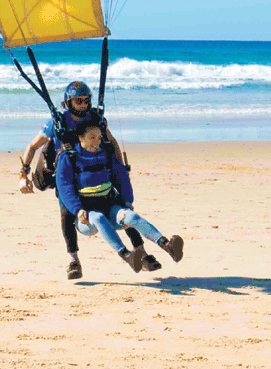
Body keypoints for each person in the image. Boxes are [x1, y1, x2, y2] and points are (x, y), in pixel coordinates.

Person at [16, 80, 154, 278]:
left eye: (86, 100)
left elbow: (112, 141)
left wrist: (120, 170)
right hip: (67, 176)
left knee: (121, 207)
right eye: (78, 101)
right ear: (68, 102)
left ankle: (142, 253)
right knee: (67, 213)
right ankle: (73, 261)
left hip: (97, 170)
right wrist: (24, 174)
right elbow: (32, 146)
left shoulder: (96, 118)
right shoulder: (57, 121)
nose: (82, 105)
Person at [56, 123, 184, 273]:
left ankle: (167, 245)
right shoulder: (68, 158)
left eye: (99, 138)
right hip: (86, 217)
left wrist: (128, 201)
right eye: (92, 137)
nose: (97, 142)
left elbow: (122, 178)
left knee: (131, 216)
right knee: (98, 218)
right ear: (80, 138)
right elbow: (64, 187)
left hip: (109, 207)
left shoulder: (106, 154)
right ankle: (127, 255)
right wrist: (77, 210)